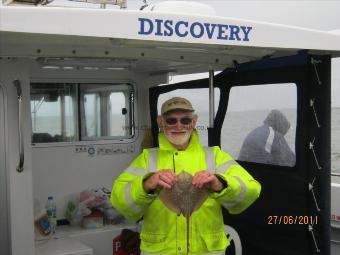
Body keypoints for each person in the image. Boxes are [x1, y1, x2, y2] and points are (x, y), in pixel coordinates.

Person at [110, 97, 261, 255]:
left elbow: (251, 189)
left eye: (185, 120)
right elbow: (119, 200)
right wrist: (146, 184)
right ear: (161, 122)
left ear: (194, 121)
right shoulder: (148, 159)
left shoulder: (214, 156)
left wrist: (220, 184)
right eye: (171, 121)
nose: (179, 126)